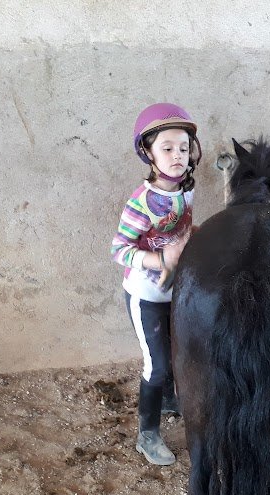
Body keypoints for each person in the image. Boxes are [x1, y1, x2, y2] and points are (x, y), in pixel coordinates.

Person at [110, 103, 202, 466]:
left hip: (176, 291)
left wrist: (193, 237)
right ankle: (147, 435)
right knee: (156, 365)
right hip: (146, 295)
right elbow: (119, 250)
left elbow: (180, 231)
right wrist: (161, 260)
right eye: (167, 148)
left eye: (183, 148)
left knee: (176, 355)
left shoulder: (185, 192)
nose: (177, 155)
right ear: (148, 153)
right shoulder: (141, 202)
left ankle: (167, 400)